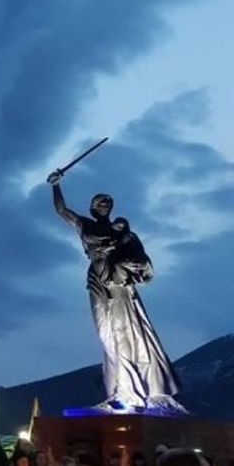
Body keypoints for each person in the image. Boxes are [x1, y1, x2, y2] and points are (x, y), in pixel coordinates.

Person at [46, 170, 180, 411]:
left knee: (123, 331)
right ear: (92, 207)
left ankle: (131, 390)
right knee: (105, 334)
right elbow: (62, 211)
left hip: (117, 283)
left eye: (108, 203)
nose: (104, 206)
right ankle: (117, 388)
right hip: (96, 281)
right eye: (99, 203)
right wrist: (56, 186)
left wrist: (124, 258)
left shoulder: (121, 232)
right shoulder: (85, 225)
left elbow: (141, 260)